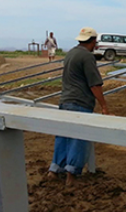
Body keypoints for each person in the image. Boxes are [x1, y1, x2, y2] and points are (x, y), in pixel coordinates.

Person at [48, 27, 110, 185]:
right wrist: (104, 106)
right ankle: (72, 174)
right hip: (80, 102)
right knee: (79, 137)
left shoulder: (71, 53)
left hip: (65, 100)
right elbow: (95, 84)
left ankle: (54, 170)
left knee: (62, 135)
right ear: (94, 41)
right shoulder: (87, 57)